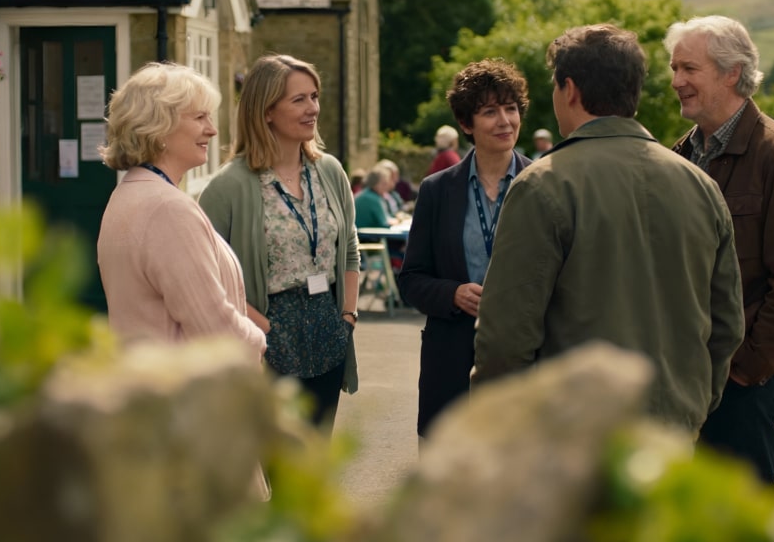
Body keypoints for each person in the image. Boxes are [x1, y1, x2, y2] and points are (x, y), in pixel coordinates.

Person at [472, 24, 744, 436]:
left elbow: (507, 336)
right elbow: (725, 326)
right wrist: (692, 405)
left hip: (570, 440)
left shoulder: (543, 184)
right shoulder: (701, 186)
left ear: (570, 90)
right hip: (671, 436)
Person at [667, 15, 774, 489]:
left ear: (731, 72)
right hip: (686, 372)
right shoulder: (680, 156)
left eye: (689, 69)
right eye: (674, 68)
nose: (677, 81)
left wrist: (747, 368)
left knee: (742, 510)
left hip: (742, 379)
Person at [199, 54, 360, 432]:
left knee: (314, 463)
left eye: (314, 96)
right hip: (267, 336)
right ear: (266, 111)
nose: (313, 109)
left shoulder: (330, 171)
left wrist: (348, 318)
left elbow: (349, 249)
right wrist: (266, 330)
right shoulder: (228, 187)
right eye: (298, 100)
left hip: (328, 328)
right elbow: (210, 278)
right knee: (271, 469)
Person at [398, 59, 532, 438]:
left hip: (523, 361)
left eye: (510, 108)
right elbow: (410, 280)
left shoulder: (545, 184)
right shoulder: (437, 190)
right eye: (490, 111)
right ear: (465, 124)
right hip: (451, 358)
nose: (505, 120)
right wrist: (452, 293)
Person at [96, 62, 267, 355]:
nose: (212, 130)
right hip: (187, 390)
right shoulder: (166, 209)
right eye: (200, 117)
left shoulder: (129, 193)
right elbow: (215, 330)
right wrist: (261, 339)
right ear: (158, 126)